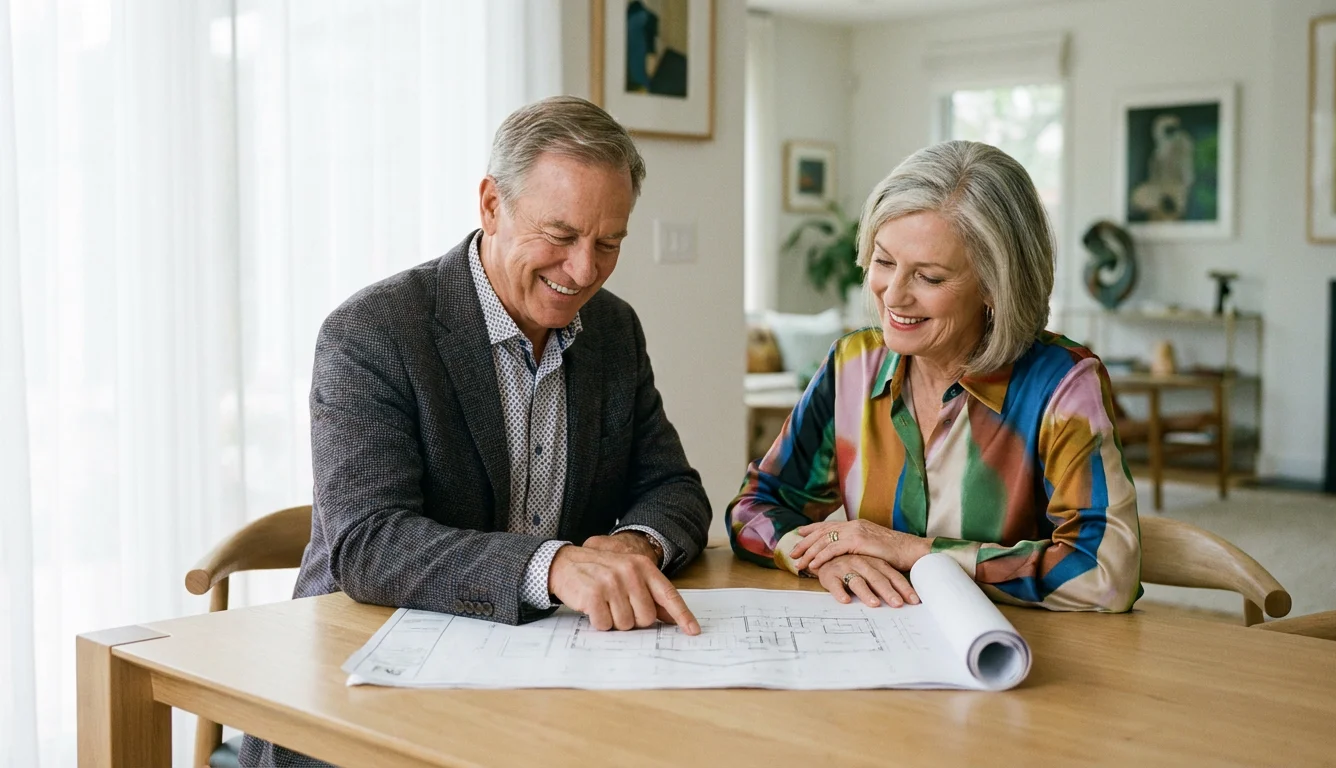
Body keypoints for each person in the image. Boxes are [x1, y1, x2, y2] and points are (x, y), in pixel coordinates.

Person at [240, 96, 711, 767]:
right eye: (560, 235)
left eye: (609, 244)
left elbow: (673, 488)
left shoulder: (614, 329)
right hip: (364, 692)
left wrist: (633, 545)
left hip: (543, 688)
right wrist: (552, 567)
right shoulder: (372, 332)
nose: (584, 270)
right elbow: (368, 542)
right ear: (492, 206)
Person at [727, 140, 1142, 614]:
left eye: (929, 277)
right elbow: (754, 508)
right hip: (880, 635)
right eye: (884, 262)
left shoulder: (1063, 385)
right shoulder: (852, 365)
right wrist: (828, 557)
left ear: (995, 286)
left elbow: (1105, 573)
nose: (893, 296)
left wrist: (914, 552)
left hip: (1018, 645)